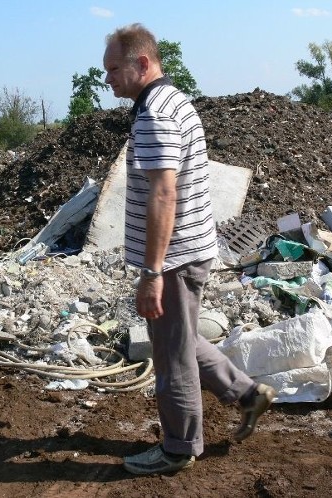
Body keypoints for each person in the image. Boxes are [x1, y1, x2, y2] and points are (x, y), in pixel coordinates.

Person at [103, 23, 276, 475]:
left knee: (171, 356)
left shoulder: (156, 114)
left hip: (174, 258)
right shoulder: (174, 101)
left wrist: (153, 272)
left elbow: (164, 195)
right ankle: (246, 393)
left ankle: (179, 448)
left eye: (113, 68)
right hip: (190, 248)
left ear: (142, 63)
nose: (107, 79)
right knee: (177, 338)